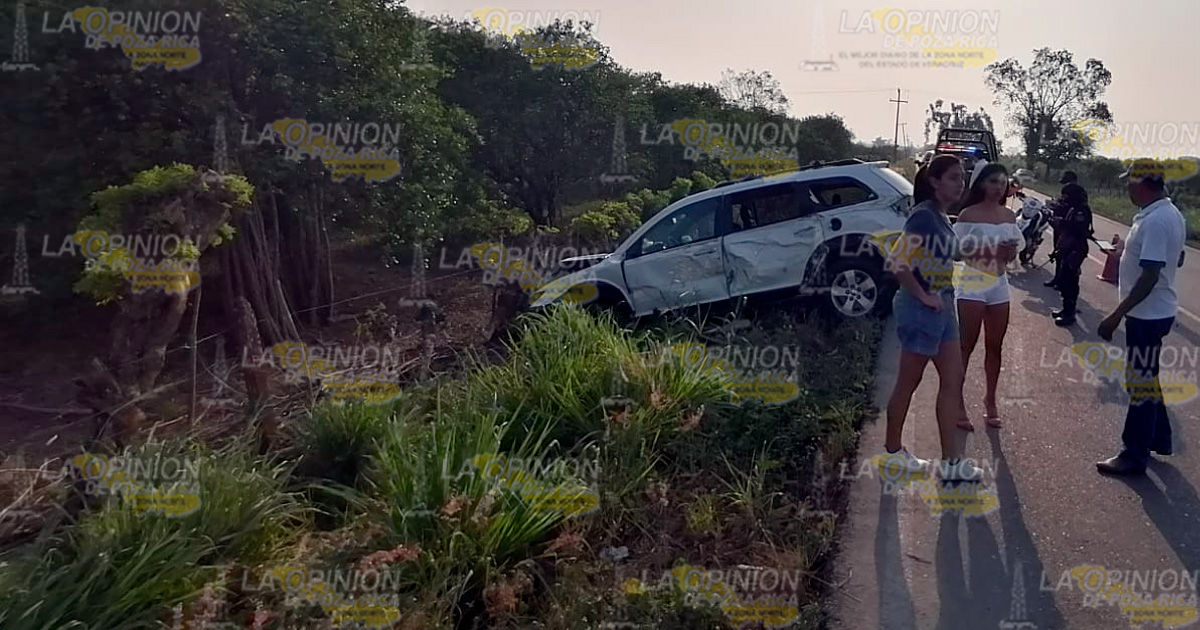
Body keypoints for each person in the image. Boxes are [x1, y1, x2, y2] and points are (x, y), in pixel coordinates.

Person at [881, 154, 979, 481]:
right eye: (953, 177)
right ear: (935, 181)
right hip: (922, 307)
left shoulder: (939, 215)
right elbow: (898, 264)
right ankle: (893, 454)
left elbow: (947, 251)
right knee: (909, 382)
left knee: (954, 379)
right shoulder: (923, 216)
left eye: (962, 178)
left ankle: (952, 464)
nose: (960, 183)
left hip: (943, 304)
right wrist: (924, 295)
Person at [1096, 160, 1186, 475]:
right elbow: (1177, 256)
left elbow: (1149, 276)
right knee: (1147, 379)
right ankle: (1159, 438)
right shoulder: (1164, 214)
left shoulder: (1158, 220)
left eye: (1129, 183)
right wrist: (1124, 253)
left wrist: (1115, 315)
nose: (1126, 188)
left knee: (1140, 385)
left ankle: (1133, 456)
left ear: (1142, 183)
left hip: (1146, 315)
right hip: (1155, 312)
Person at [952, 163, 1022, 429]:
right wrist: (986, 247)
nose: (998, 187)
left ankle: (990, 400)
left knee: (995, 346)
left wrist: (1008, 251)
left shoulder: (1009, 216)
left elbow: (1013, 255)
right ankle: (957, 402)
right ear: (981, 183)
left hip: (999, 282)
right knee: (965, 346)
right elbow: (956, 252)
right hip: (972, 282)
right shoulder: (967, 215)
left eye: (1002, 182)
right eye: (992, 181)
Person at [1048, 182, 1093, 326]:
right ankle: (1066, 309)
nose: (1064, 198)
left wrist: (1061, 223)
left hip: (1076, 249)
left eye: (1066, 196)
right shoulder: (1073, 208)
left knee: (1070, 281)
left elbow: (1078, 228)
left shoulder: (1081, 210)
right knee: (1064, 279)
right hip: (1068, 246)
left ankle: (1069, 313)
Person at [1045, 171, 1084, 288]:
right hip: (1064, 229)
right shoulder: (1080, 192)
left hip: (1068, 231)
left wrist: (1057, 207)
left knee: (1065, 257)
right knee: (1059, 255)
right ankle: (1058, 279)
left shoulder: (1073, 193)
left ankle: (1061, 281)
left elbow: (1066, 208)